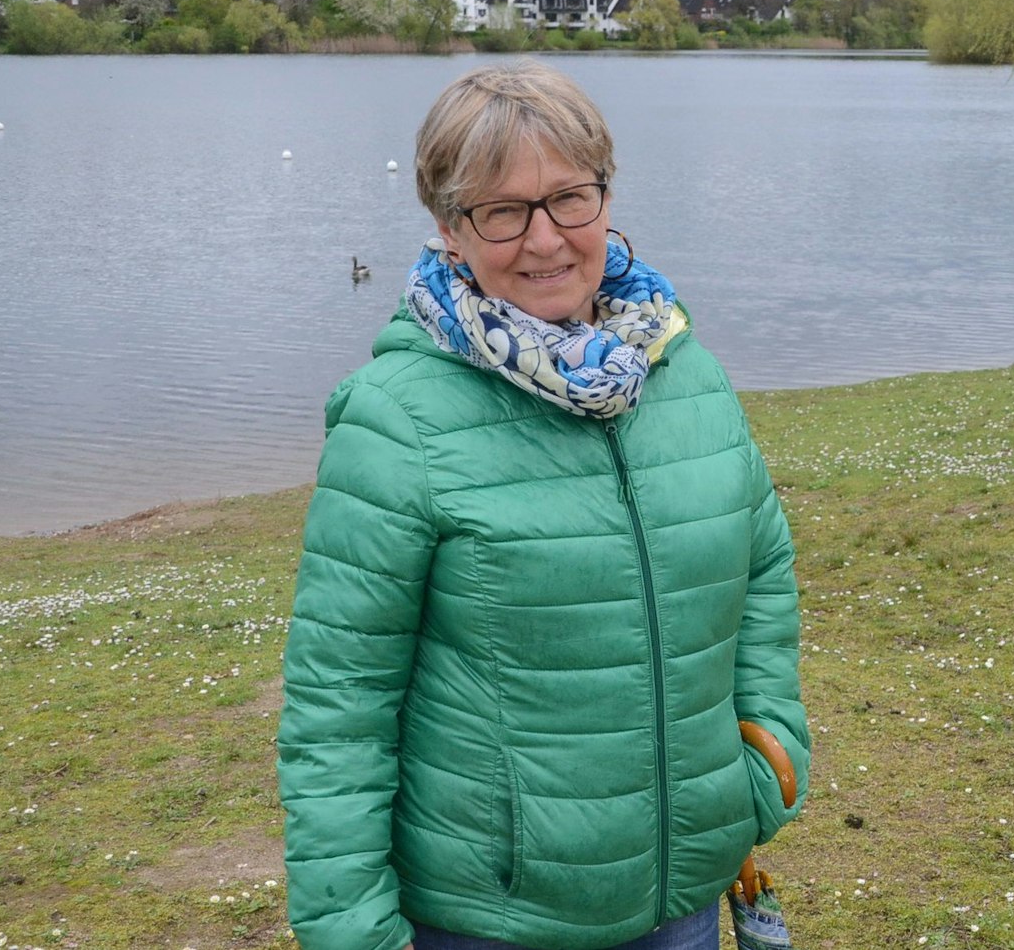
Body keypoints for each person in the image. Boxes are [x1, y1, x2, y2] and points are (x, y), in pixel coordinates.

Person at [277, 61, 809, 950]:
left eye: (570, 197)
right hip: (493, 917)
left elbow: (760, 575)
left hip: (680, 895)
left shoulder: (686, 375)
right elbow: (339, 707)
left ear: (606, 195)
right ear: (450, 227)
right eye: (502, 210)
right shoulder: (396, 416)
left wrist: (764, 754)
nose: (545, 239)